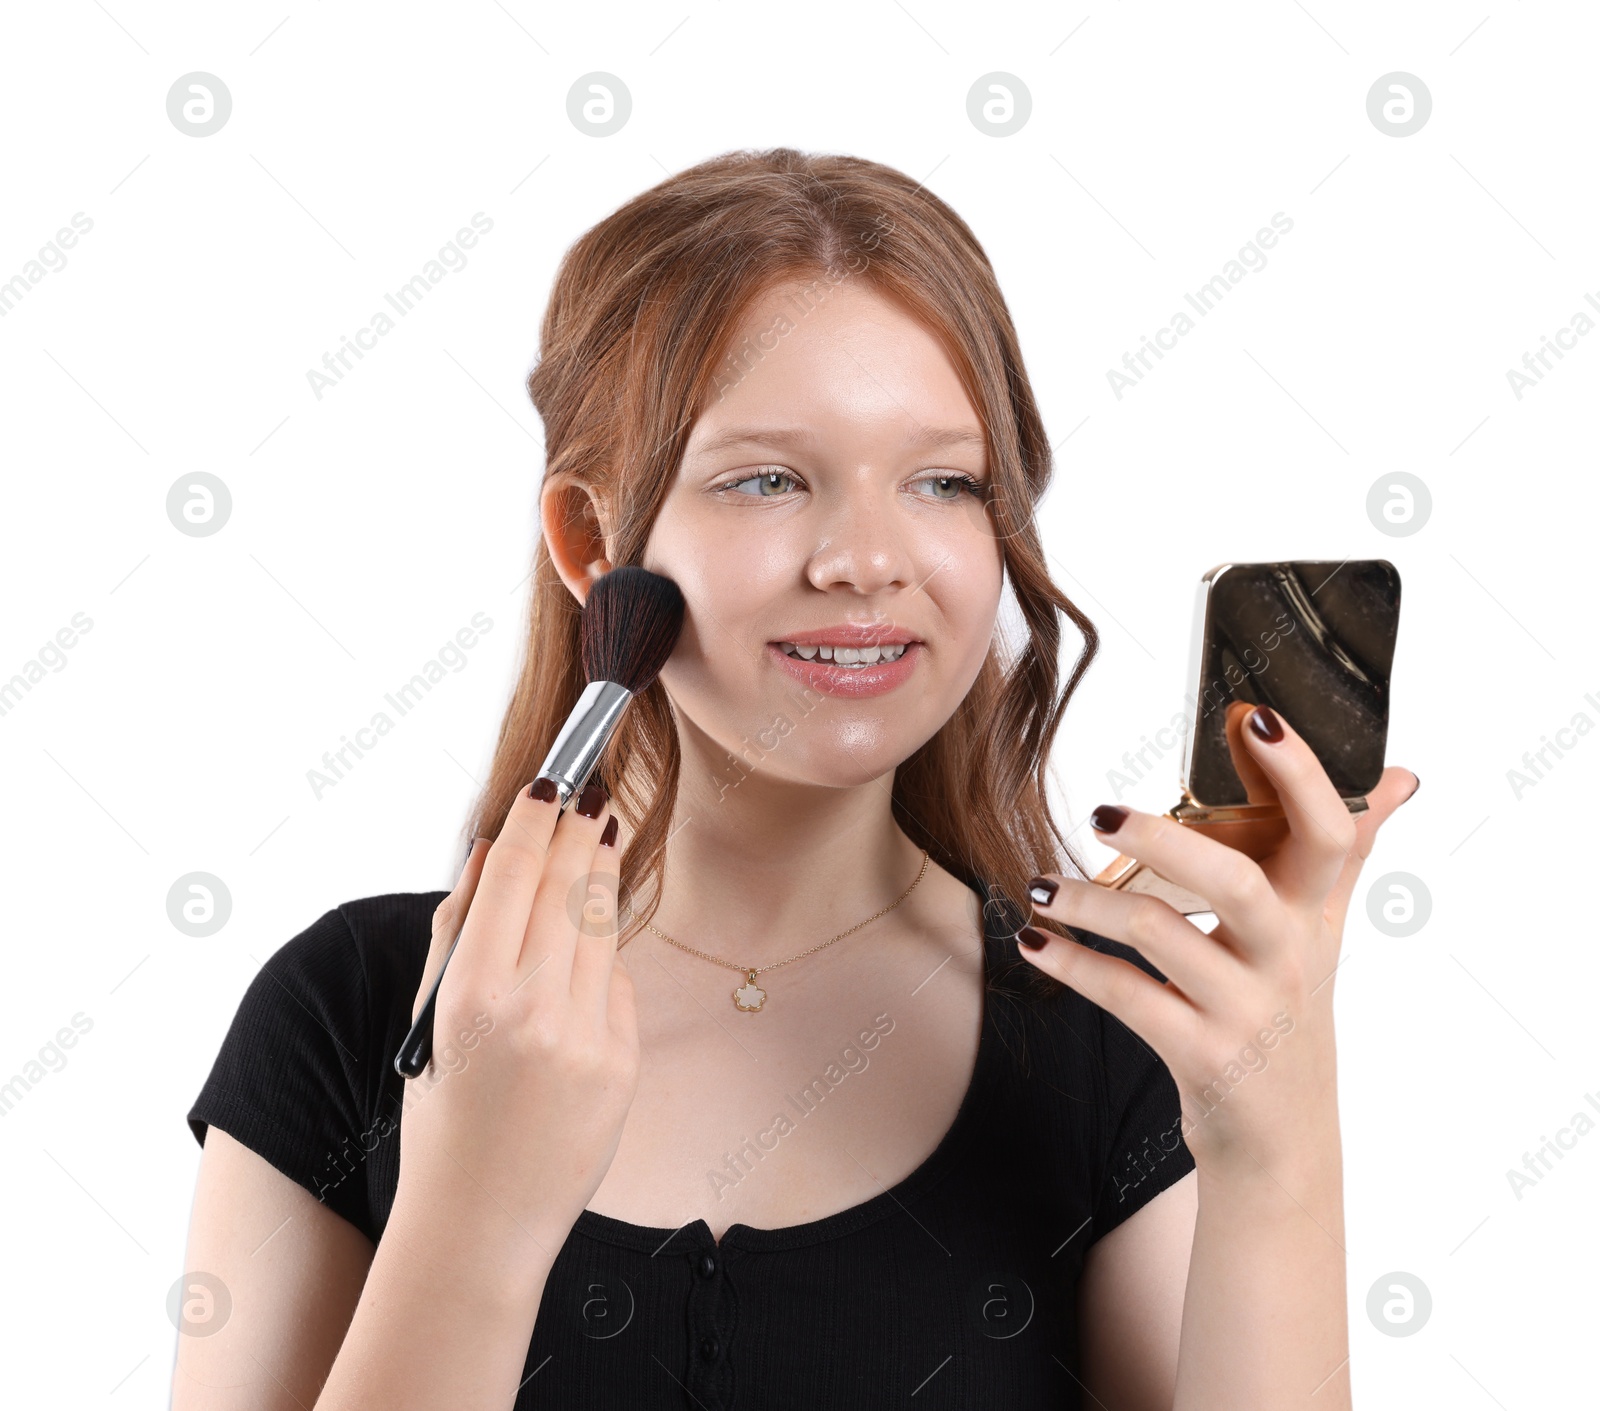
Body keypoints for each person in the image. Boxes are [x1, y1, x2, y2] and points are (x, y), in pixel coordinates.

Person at [175, 148, 1416, 1410]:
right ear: (593, 542)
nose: (869, 559)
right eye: (768, 478)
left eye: (942, 480)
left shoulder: (1109, 1041)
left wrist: (1277, 1145)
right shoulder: (350, 1014)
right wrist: (474, 1212)